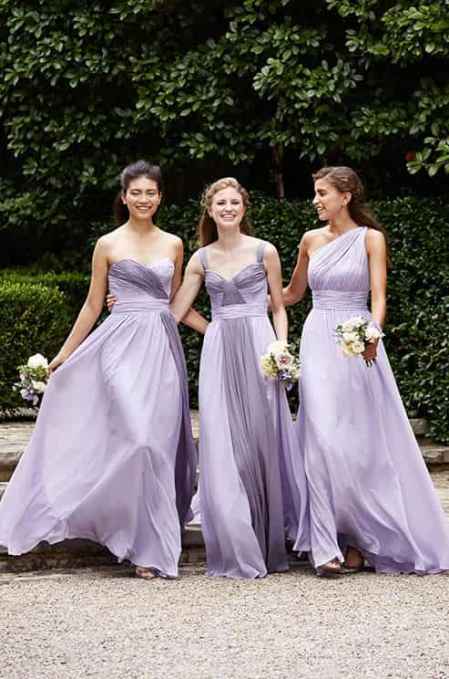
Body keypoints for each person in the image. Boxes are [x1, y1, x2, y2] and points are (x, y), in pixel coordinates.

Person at [0, 160, 200, 579]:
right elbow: (93, 305)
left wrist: (219, 332)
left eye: (151, 193)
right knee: (139, 439)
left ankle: (148, 547)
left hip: (161, 349)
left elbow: (175, 302)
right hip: (119, 347)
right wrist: (62, 356)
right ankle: (115, 523)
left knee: (156, 445)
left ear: (160, 197)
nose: (143, 199)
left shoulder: (174, 243)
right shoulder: (107, 244)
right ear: (124, 197)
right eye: (136, 193)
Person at [283, 165, 449, 576]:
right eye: (315, 193)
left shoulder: (371, 238)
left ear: (346, 196)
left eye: (322, 193)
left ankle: (356, 536)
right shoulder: (309, 240)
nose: (316, 200)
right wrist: (242, 292)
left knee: (358, 444)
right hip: (317, 339)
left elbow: (379, 295)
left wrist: (373, 331)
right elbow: (292, 293)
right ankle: (324, 546)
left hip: (355, 343)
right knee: (320, 437)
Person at [170, 177, 310, 579]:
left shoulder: (264, 250)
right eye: (221, 203)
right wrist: (211, 330)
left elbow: (279, 307)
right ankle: (237, 536)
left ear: (243, 208)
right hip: (220, 351)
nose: (228, 208)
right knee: (225, 436)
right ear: (210, 210)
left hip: (261, 347)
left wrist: (280, 347)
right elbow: (177, 309)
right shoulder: (201, 259)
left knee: (263, 435)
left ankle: (269, 536)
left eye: (234, 202)